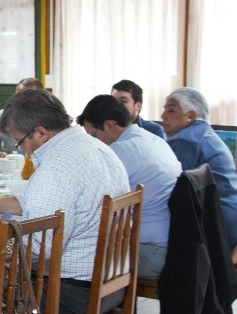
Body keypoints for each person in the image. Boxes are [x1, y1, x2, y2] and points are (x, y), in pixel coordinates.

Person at [0, 89, 130, 314]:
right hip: (112, 287)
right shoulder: (96, 147)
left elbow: (40, 249)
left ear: (40, 133)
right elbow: (30, 201)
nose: (22, 150)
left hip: (74, 295)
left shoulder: (57, 167)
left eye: (20, 142)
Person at [77, 94, 180, 278]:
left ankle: (90, 306)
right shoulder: (154, 140)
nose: (92, 143)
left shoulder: (119, 151)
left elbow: (92, 202)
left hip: (149, 252)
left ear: (110, 126)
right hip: (172, 245)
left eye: (93, 136)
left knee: (70, 259)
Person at [161, 87, 237, 248]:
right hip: (235, 217)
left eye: (170, 110)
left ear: (190, 115)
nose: (162, 116)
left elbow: (171, 189)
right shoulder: (204, 134)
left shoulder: (185, 141)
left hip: (219, 224)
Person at [0, 77, 43, 159]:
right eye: (18, 96)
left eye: (28, 97)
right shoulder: (1, 117)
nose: (21, 100)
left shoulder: (51, 118)